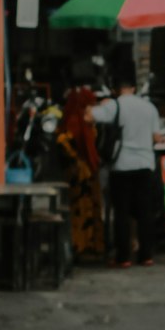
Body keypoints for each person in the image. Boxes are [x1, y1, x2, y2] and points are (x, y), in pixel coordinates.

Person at [88, 65, 161, 268]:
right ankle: (146, 255)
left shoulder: (114, 105)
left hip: (121, 165)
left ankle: (124, 257)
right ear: (134, 87)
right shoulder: (149, 107)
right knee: (145, 211)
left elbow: (89, 116)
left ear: (114, 88)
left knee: (122, 212)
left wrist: (101, 104)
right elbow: (156, 137)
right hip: (145, 165)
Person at [57, 87, 105, 260]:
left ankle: (89, 244)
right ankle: (81, 244)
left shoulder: (84, 120)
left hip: (87, 172)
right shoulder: (74, 121)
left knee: (88, 208)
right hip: (80, 174)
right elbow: (64, 141)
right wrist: (77, 160)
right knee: (81, 209)